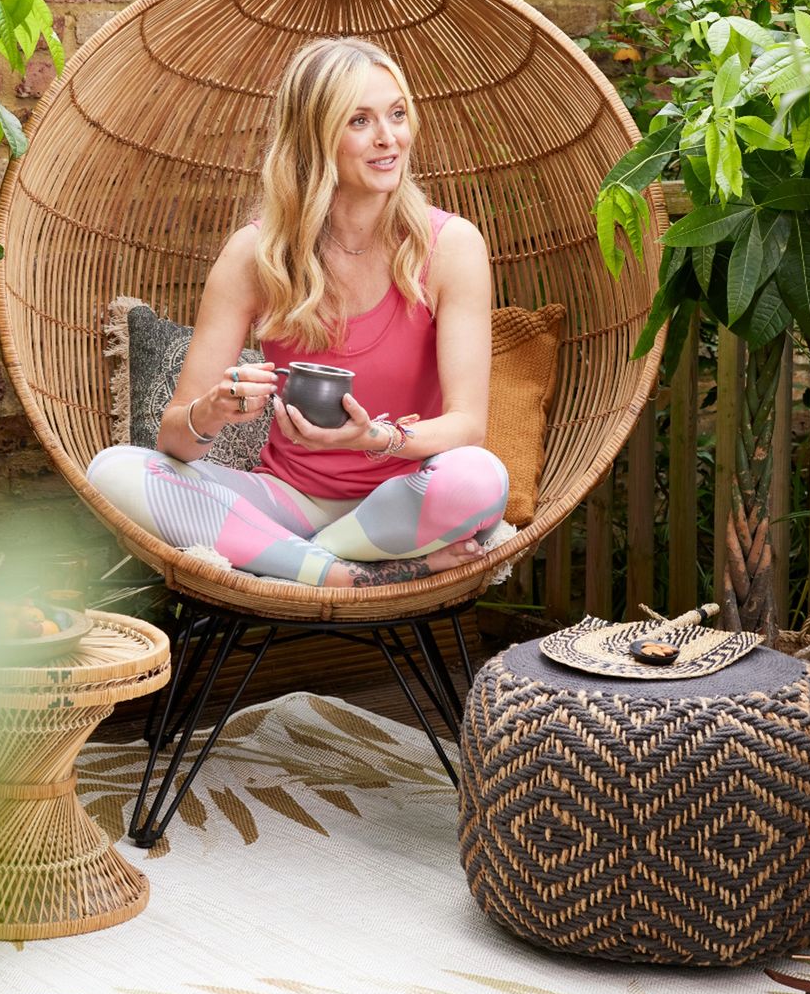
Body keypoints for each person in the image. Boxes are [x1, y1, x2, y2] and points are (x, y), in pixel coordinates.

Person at [87, 36, 508, 588]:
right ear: (315, 136)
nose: (389, 138)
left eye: (397, 114)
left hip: (406, 502)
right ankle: (344, 577)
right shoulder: (255, 254)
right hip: (288, 501)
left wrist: (375, 439)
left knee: (479, 477)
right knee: (112, 470)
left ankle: (304, 563)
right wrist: (211, 411)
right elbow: (174, 441)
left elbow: (467, 426)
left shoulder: (451, 245)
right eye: (360, 121)